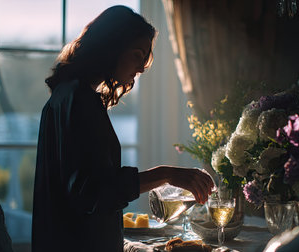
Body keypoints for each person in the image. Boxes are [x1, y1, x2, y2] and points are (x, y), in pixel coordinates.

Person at [31, 5, 214, 252]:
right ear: (111, 47)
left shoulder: (67, 94)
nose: (141, 68)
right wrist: (166, 174)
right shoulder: (79, 100)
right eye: (137, 54)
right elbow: (92, 193)